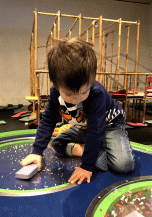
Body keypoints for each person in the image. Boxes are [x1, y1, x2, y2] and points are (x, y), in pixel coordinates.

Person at [21, 38, 135, 184]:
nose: (76, 99)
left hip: (110, 126)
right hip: (85, 128)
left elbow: (96, 130)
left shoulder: (96, 94)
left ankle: (96, 149)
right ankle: (83, 150)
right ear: (56, 85)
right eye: (69, 94)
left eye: (83, 92)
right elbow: (48, 120)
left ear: (91, 81)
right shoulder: (55, 93)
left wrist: (87, 166)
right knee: (56, 143)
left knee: (124, 165)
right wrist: (36, 151)